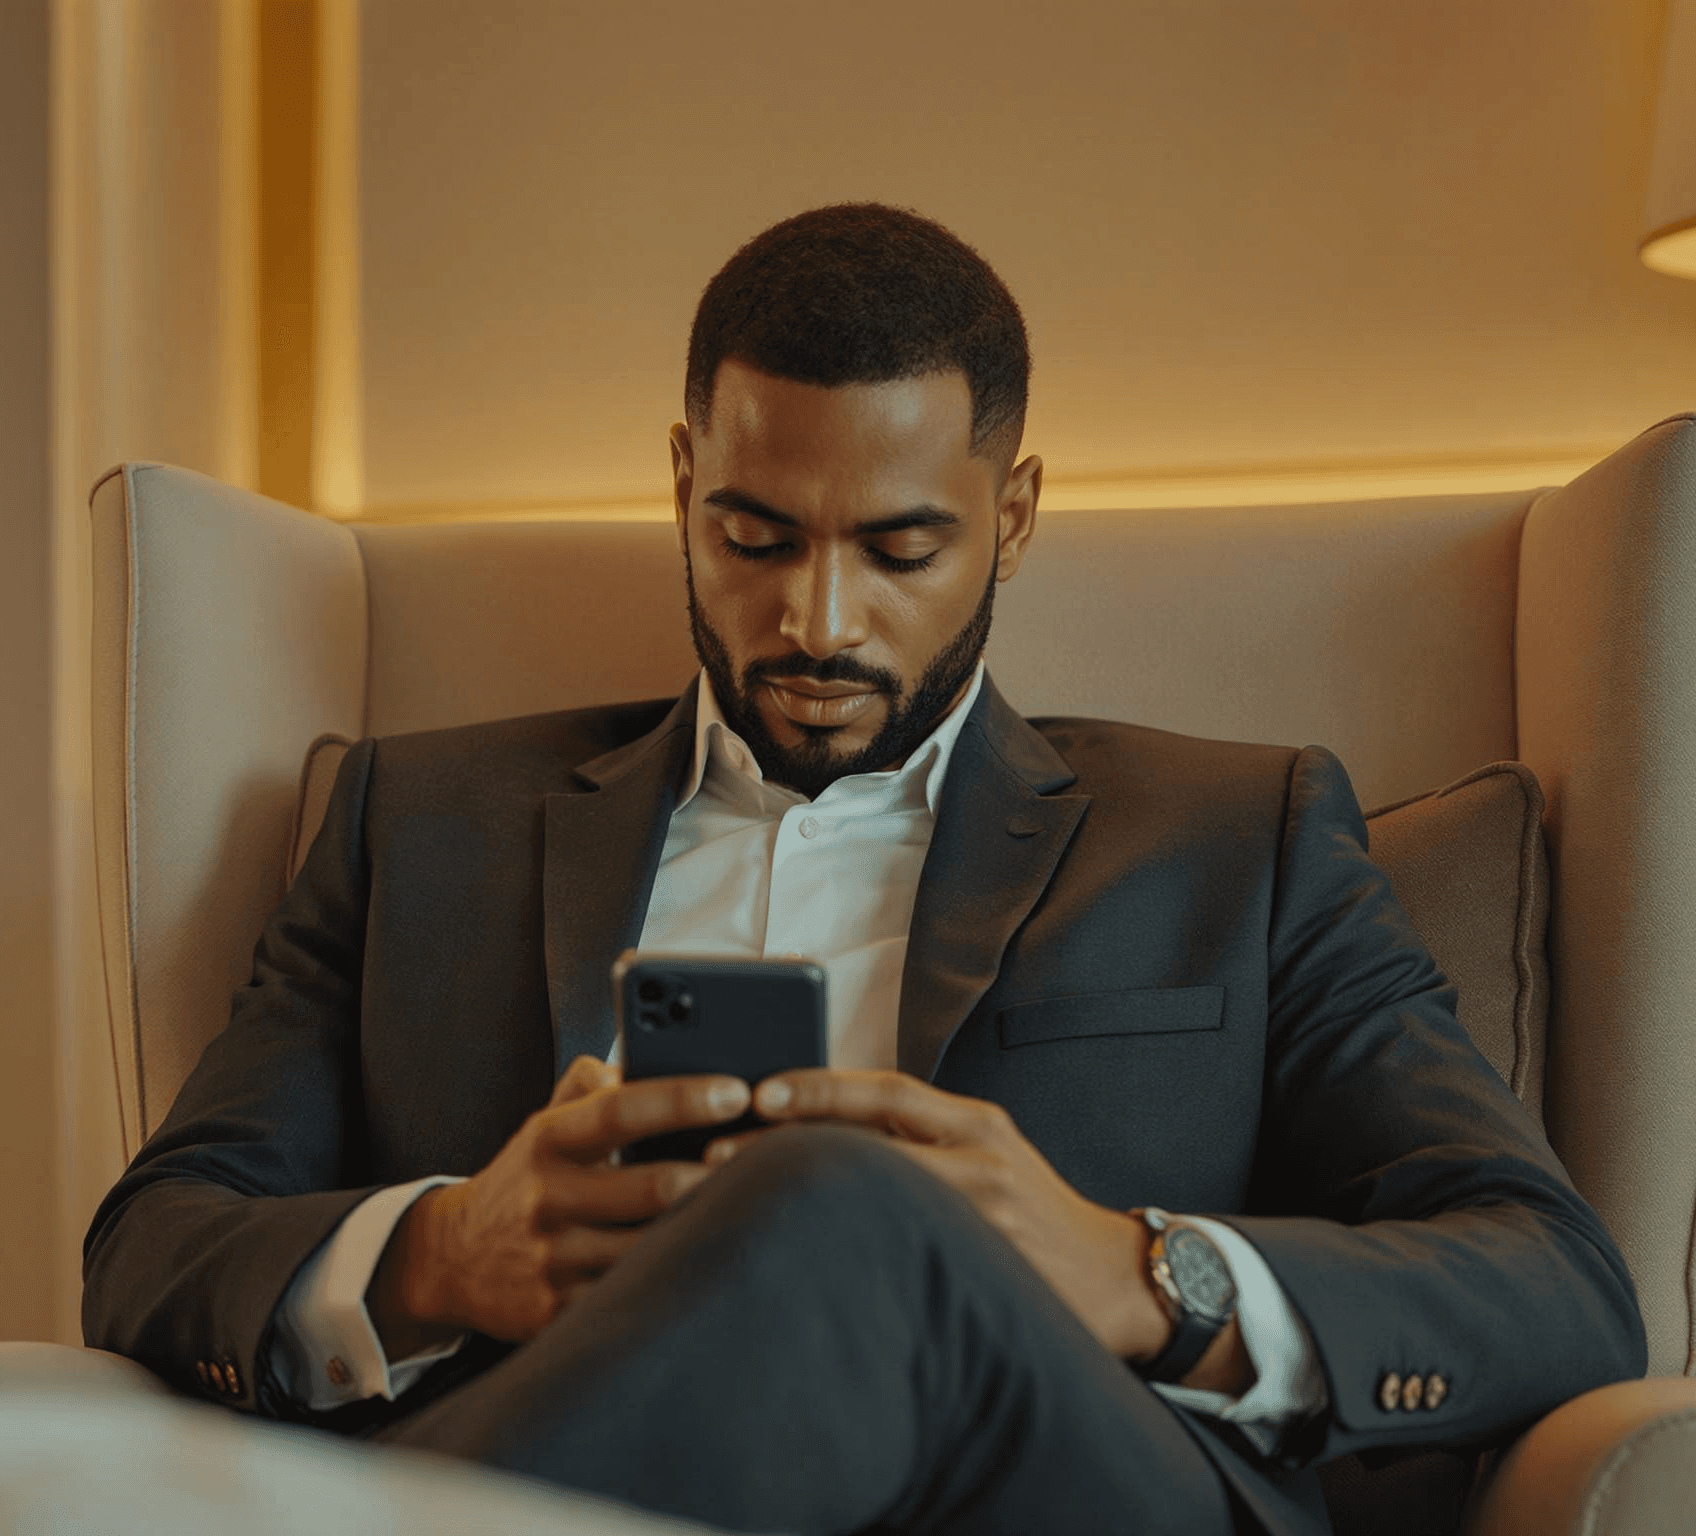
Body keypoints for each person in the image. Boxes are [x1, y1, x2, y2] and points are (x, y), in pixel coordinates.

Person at [83, 203, 1646, 1536]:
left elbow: (1554, 1280)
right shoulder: (419, 824)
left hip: (1064, 1476)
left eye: (900, 552)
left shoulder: (1242, 838)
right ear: (681, 480)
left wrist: (1142, 1274)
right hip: (540, 1455)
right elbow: (156, 1242)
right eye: (754, 537)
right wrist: (444, 1254)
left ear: (1012, 516)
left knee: (838, 1199)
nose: (817, 621)